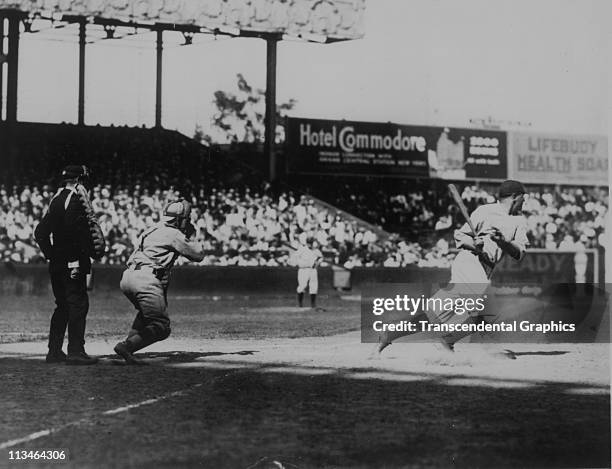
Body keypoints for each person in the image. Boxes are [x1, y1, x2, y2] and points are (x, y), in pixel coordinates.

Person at [378, 180, 529, 354]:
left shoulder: (520, 221)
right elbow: (460, 237)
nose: (524, 202)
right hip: (469, 261)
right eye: (523, 198)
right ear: (515, 196)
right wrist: (475, 245)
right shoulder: (484, 211)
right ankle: (447, 341)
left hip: (485, 268)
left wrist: (503, 242)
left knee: (435, 314)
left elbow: (519, 254)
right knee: (488, 309)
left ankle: (390, 334)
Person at [113, 199, 204, 364]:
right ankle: (126, 347)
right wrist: (193, 234)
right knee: (161, 326)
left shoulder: (152, 229)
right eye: (186, 218)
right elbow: (198, 255)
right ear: (179, 219)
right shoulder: (173, 233)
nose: (188, 221)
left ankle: (127, 348)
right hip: (146, 278)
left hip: (128, 277)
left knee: (145, 315)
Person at [34, 165, 104, 365]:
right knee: (78, 305)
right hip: (73, 263)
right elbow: (77, 235)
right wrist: (82, 257)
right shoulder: (75, 201)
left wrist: (52, 254)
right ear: (80, 180)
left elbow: (40, 233)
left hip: (57, 263)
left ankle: (54, 351)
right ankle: (75, 351)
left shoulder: (56, 200)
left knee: (62, 306)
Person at [295, 239, 323, 308]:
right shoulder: (302, 249)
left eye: (311, 243)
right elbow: (295, 257)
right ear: (306, 243)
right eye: (308, 243)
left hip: (312, 269)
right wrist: (299, 263)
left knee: (314, 286)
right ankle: (300, 303)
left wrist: (317, 262)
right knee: (302, 286)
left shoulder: (316, 251)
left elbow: (321, 258)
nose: (310, 245)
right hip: (303, 269)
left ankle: (313, 304)